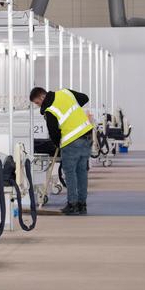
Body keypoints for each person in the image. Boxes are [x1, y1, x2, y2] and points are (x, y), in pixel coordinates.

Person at [29, 86, 93, 215]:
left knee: (70, 174)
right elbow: (84, 98)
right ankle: (82, 204)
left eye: (37, 103)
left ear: (42, 97)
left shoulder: (49, 109)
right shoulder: (65, 93)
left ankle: (72, 204)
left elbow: (53, 132)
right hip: (87, 135)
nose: (37, 106)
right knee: (82, 172)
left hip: (71, 140)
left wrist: (57, 144)